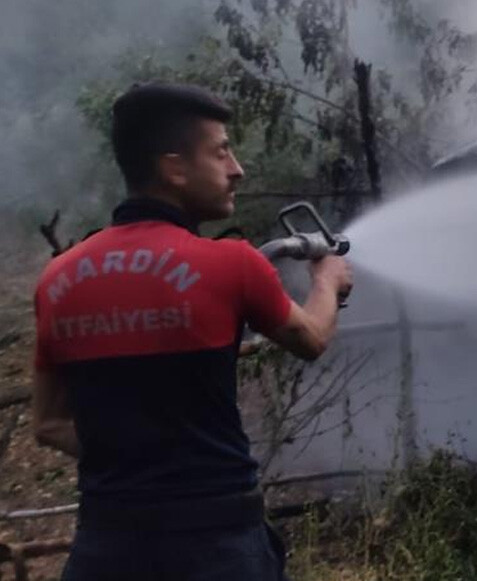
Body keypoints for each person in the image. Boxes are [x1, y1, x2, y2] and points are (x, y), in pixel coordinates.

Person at [30, 82, 352, 580]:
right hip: (219, 548)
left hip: (104, 551)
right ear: (173, 167)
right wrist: (327, 281)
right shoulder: (231, 263)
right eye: (221, 152)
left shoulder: (57, 279)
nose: (237, 169)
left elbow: (48, 423)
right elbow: (311, 339)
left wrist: (131, 455)